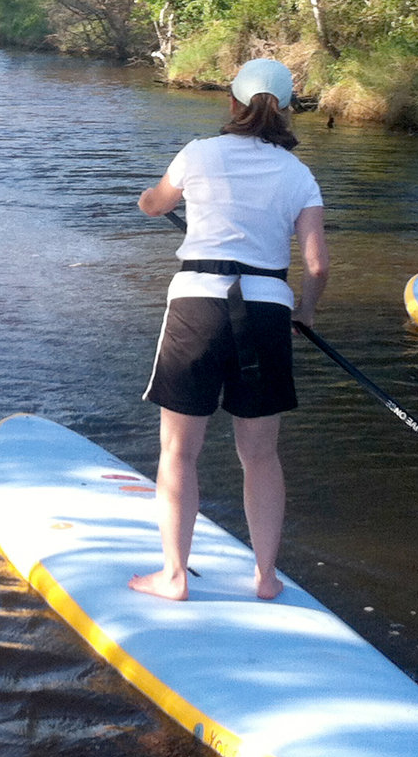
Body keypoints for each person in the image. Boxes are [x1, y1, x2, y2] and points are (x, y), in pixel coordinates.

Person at [130, 58, 328, 603]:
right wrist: (304, 315)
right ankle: (265, 577)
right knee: (260, 454)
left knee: (179, 450)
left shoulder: (198, 153)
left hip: (198, 305)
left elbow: (153, 204)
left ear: (233, 103)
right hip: (265, 312)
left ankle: (173, 577)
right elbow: (316, 267)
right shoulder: (298, 174)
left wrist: (152, 203)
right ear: (286, 109)